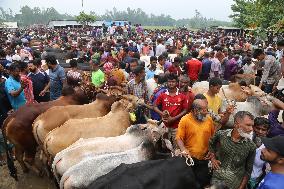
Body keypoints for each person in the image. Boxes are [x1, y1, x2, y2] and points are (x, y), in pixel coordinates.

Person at [209, 111, 256, 189]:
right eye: (248, 125)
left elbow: (248, 171)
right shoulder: (221, 134)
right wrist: (213, 158)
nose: (251, 129)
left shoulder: (251, 146)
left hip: (234, 184)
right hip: (216, 179)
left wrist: (240, 187)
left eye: (252, 126)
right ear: (236, 124)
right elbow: (211, 143)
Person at [176, 97, 215, 188]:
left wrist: (212, 152)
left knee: (202, 183)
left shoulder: (208, 120)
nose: (206, 113)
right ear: (195, 110)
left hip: (204, 159)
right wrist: (184, 150)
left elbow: (213, 137)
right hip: (189, 160)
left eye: (207, 110)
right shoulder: (185, 120)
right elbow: (179, 138)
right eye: (204, 111)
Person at [153, 73, 188, 144]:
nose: (171, 83)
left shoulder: (182, 96)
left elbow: (185, 110)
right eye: (169, 82)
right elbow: (154, 106)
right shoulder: (163, 95)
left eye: (173, 82)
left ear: (177, 83)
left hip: (177, 127)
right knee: (165, 146)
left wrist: (173, 119)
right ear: (167, 83)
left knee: (177, 147)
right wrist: (162, 113)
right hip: (165, 127)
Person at [248, 117, 271, 189]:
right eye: (258, 128)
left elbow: (268, 168)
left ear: (267, 131)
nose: (260, 131)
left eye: (263, 130)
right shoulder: (245, 140)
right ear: (253, 127)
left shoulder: (269, 147)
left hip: (253, 181)